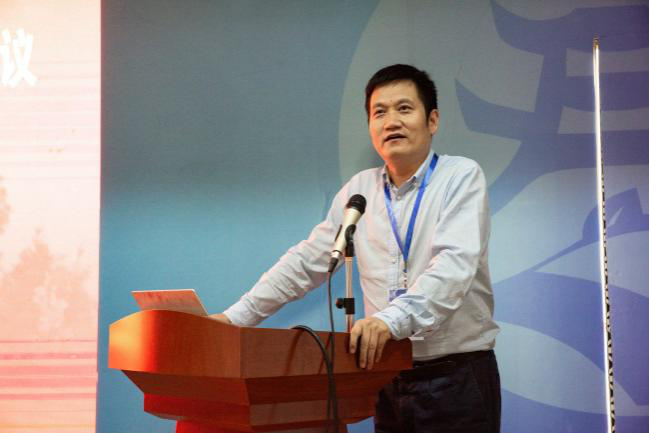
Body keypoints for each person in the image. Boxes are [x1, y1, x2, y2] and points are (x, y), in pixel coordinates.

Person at [211, 64, 501, 433]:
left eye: (404, 109)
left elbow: (453, 268)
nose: (391, 121)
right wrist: (234, 319)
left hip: (455, 378)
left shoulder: (460, 176)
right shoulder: (359, 191)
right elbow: (306, 262)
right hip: (386, 376)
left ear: (432, 120)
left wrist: (388, 321)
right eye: (379, 112)